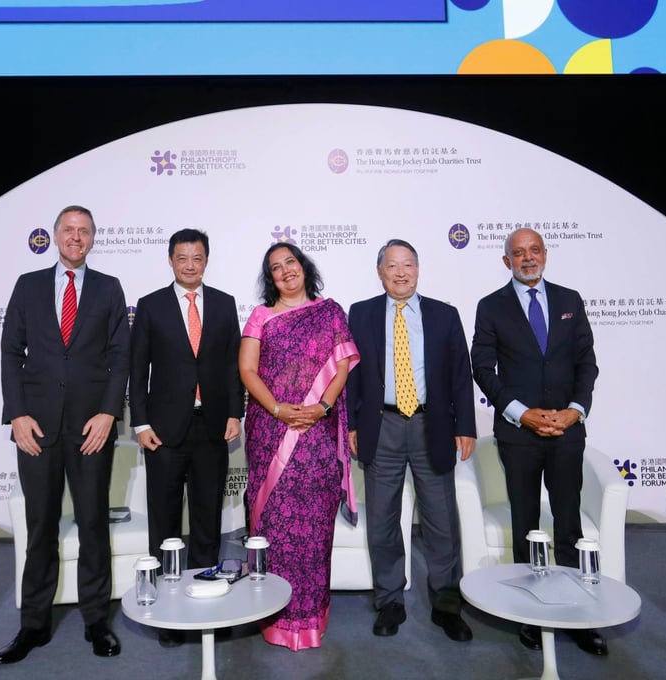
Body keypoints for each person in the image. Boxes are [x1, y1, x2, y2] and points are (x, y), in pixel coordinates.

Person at [0, 205, 128, 664]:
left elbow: (120, 356)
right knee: (40, 527)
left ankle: (97, 621)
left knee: (93, 524)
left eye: (84, 231)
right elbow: (11, 350)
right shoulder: (28, 285)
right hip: (36, 427)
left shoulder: (109, 289)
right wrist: (17, 415)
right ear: (55, 236)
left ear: (93, 238)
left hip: (92, 427)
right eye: (69, 230)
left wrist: (109, 414)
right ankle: (33, 625)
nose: (76, 237)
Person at [470, 227, 604, 655]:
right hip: (518, 434)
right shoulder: (490, 306)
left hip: (567, 431)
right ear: (505, 261)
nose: (528, 258)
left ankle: (577, 613)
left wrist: (574, 410)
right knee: (526, 524)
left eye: (534, 251)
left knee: (568, 522)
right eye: (518, 253)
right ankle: (531, 612)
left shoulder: (570, 300)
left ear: (545, 254)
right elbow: (483, 368)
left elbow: (587, 363)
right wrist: (522, 413)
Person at [346, 239, 476, 642]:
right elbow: (351, 374)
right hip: (380, 426)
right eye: (392, 266)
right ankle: (389, 601)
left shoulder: (444, 314)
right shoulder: (361, 313)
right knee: (382, 520)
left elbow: (460, 374)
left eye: (408, 266)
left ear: (418, 270)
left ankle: (447, 603)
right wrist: (351, 424)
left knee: (441, 520)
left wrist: (466, 426)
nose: (401, 273)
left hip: (430, 424)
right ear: (380, 272)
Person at [239, 242, 359, 651]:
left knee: (314, 531)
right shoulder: (261, 316)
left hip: (317, 437)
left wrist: (321, 408)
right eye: (276, 267)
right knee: (274, 527)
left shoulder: (330, 313)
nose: (286, 271)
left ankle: (310, 617)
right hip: (270, 432)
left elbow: (341, 366)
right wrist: (278, 409)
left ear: (304, 266)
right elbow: (247, 369)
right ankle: (274, 616)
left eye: (290, 262)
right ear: (270, 279)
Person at [128, 228, 244, 648]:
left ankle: (208, 605)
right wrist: (140, 424)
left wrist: (235, 412)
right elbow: (137, 369)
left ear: (206, 260)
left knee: (208, 522)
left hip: (212, 426)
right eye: (182, 257)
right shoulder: (151, 306)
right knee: (164, 521)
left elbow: (233, 365)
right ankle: (167, 613)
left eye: (197, 257)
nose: (190, 264)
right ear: (171, 260)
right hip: (163, 430)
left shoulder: (225, 304)